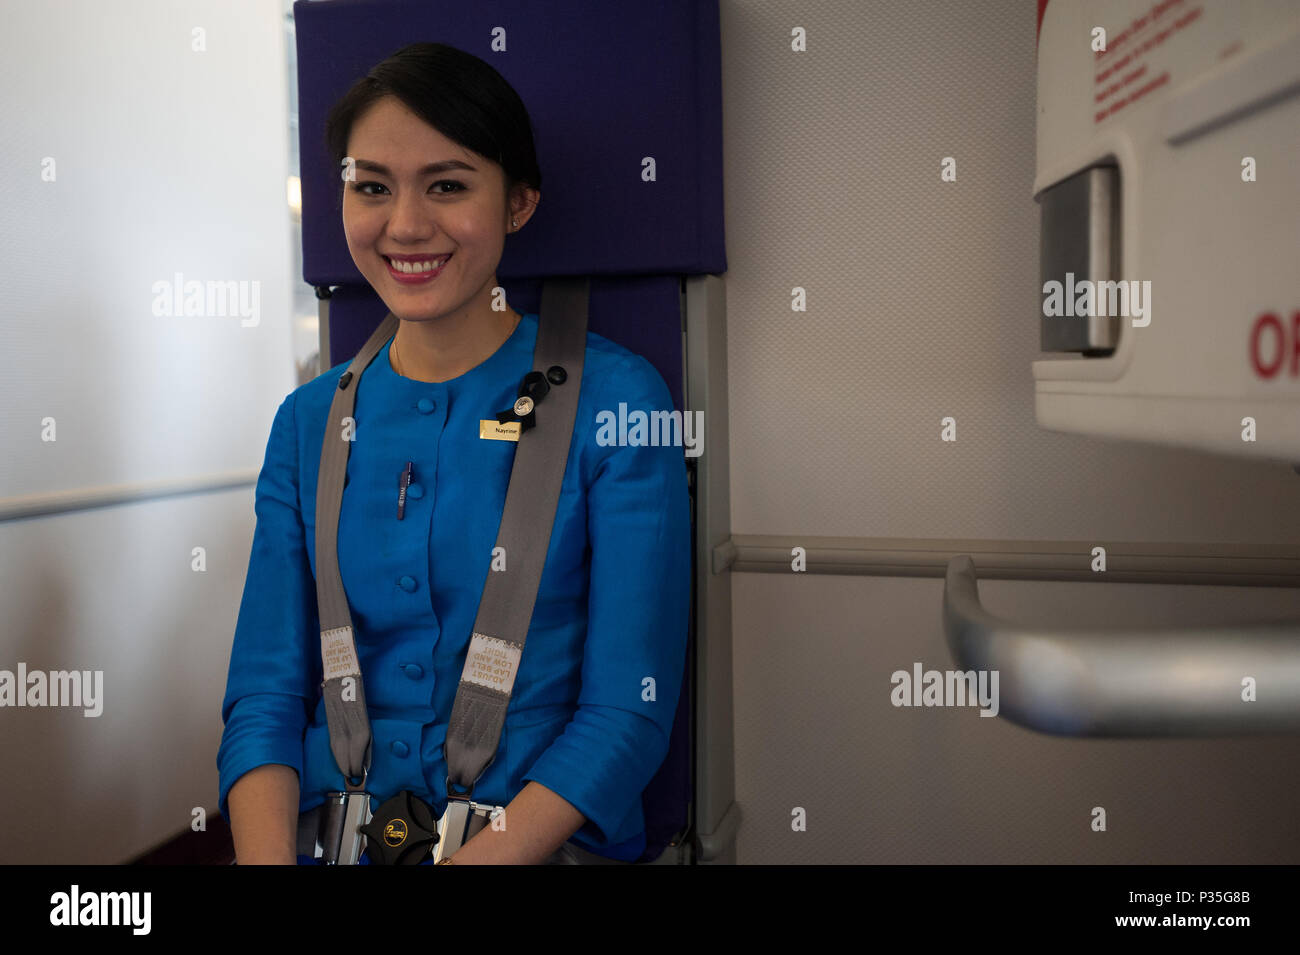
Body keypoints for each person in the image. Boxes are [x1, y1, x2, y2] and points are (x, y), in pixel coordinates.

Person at [216, 42, 691, 865]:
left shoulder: (620, 402)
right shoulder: (306, 423)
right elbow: (263, 696)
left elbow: (628, 715)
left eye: (448, 185)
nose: (403, 225)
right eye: (372, 187)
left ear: (518, 202)